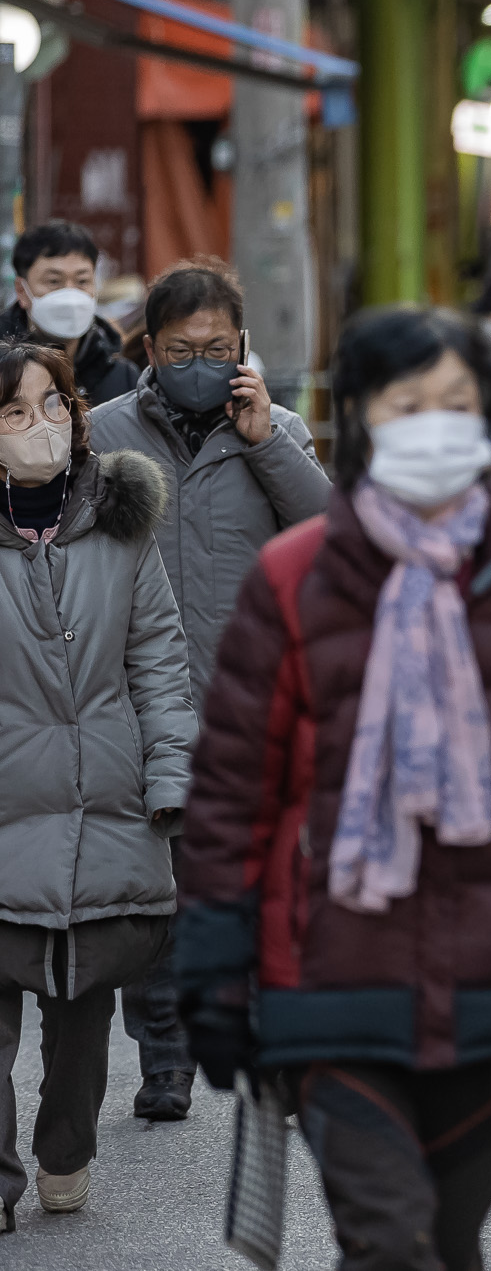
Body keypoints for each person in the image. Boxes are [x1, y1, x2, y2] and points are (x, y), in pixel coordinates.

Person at [175, 307, 491, 1271]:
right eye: (406, 403)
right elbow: (233, 791)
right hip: (325, 966)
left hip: (488, 969)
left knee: (454, 1239)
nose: (431, 422)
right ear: (360, 417)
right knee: (391, 1240)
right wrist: (216, 969)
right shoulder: (293, 577)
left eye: (454, 403)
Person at [87, 258, 331, 1124]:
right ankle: (166, 1058)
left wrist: (264, 439)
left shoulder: (276, 428)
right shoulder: (106, 429)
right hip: (138, 698)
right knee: (162, 890)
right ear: (150, 348)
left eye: (217, 346)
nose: (200, 360)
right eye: (182, 347)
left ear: (243, 348)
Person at [0, 342, 190, 1231]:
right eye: (11, 413)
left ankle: (64, 1149)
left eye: (51, 407)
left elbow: (157, 659)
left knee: (80, 1010)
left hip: (104, 804)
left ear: (78, 417)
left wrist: (169, 775)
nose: (36, 428)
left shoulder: (122, 526)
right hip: (8, 805)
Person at [3, 221, 140, 406]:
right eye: (54, 281)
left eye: (82, 281)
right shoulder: (4, 368)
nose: (70, 294)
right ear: (22, 291)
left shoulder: (124, 378)